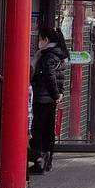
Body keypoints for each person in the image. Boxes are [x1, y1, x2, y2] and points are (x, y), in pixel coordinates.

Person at [29, 27, 67, 174]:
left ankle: (39, 161)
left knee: (38, 129)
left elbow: (49, 76)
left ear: (46, 39)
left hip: (43, 97)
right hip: (50, 99)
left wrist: (56, 94)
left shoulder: (47, 55)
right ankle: (47, 161)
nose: (38, 41)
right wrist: (59, 93)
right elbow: (60, 77)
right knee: (48, 129)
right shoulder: (59, 53)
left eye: (40, 38)